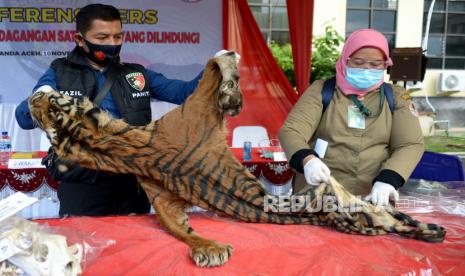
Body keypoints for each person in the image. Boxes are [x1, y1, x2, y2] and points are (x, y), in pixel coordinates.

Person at [15, 3, 226, 217]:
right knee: (83, 247)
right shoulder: (60, 72)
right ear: (80, 40)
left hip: (132, 186)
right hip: (83, 185)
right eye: (102, 38)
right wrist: (41, 98)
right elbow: (24, 119)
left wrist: (215, 70)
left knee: (135, 248)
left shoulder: (137, 75)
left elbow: (186, 93)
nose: (112, 44)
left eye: (117, 37)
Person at [278, 29, 424, 207]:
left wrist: (389, 179)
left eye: (375, 64)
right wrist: (307, 160)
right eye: (358, 62)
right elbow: (292, 131)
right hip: (318, 195)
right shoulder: (321, 90)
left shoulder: (398, 97)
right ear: (345, 59)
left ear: (386, 65)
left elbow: (409, 144)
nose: (366, 69)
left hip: (372, 198)